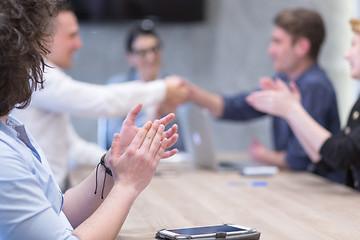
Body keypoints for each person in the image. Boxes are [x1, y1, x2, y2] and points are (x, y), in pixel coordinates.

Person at [0, 0, 179, 238]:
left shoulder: (12, 129)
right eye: (35, 54)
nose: (39, 67)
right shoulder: (4, 158)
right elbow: (101, 100)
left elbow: (58, 213)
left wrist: (112, 163)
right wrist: (127, 185)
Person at [188, 8, 344, 182]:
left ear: (302, 47)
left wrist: (264, 156)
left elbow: (300, 160)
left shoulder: (315, 86)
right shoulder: (283, 80)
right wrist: (192, 94)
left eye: (277, 42)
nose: (271, 50)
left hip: (322, 189)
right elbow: (242, 106)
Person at [246, 18, 360, 190]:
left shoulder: (315, 84)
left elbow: (341, 155)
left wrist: (293, 110)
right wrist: (291, 113)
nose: (347, 54)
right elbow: (326, 159)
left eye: (354, 45)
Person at [98, 20, 185, 151]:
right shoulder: (118, 86)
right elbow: (114, 140)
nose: (151, 57)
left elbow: (185, 145)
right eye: (143, 53)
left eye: (155, 49)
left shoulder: (175, 85)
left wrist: (174, 118)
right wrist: (153, 115)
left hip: (168, 162)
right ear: (130, 57)